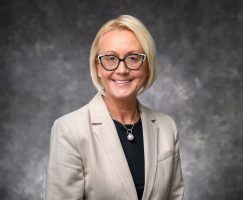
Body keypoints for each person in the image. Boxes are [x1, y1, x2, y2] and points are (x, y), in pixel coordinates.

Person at [45, 15, 184, 200]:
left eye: (133, 58)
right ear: (98, 67)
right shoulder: (69, 130)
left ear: (148, 66)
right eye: (110, 58)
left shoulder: (167, 126)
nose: (122, 69)